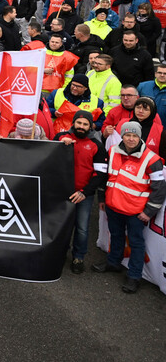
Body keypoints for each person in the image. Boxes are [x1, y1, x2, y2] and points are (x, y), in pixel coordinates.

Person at [93, 122, 165, 293]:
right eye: (127, 135)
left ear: (140, 137)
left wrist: (148, 212)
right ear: (122, 136)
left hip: (135, 212)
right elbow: (106, 178)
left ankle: (134, 276)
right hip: (113, 206)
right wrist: (102, 198)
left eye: (135, 136)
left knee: (136, 243)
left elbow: (159, 189)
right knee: (116, 236)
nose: (131, 139)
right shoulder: (113, 151)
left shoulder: (152, 159)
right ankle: (113, 263)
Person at [55, 111, 107, 274]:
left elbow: (100, 173)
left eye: (85, 124)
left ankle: (78, 257)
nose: (81, 127)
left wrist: (85, 192)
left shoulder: (96, 145)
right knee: (59, 226)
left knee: (82, 228)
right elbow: (47, 157)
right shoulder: (61, 137)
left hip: (84, 194)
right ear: (73, 123)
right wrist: (59, 144)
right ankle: (58, 253)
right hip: (61, 192)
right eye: (79, 123)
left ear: (91, 126)